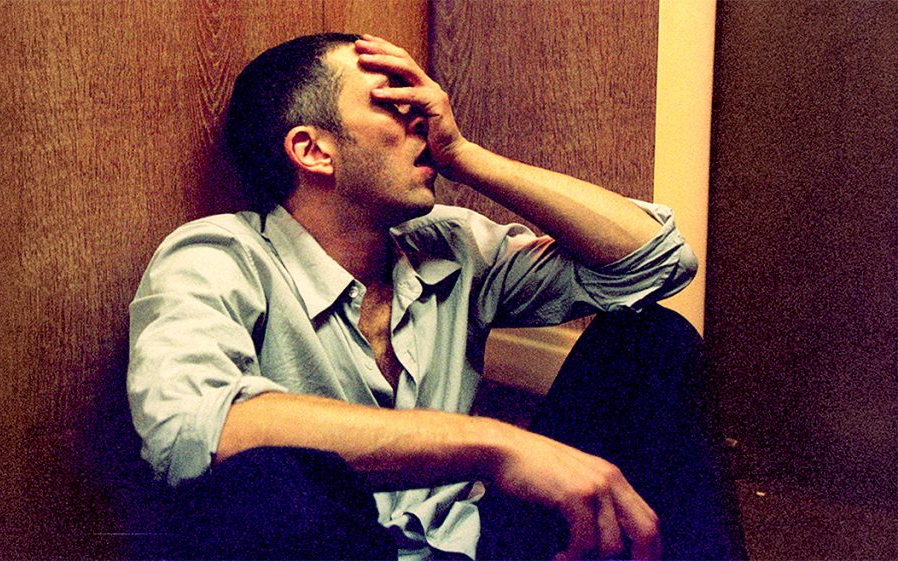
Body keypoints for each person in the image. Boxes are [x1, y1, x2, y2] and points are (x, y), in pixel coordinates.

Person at [128, 33, 744, 560]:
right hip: (340, 544)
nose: (423, 119)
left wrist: (467, 157)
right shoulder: (217, 255)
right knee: (269, 482)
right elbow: (194, 429)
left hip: (475, 541)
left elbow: (657, 262)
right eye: (394, 106)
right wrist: (497, 446)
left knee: (651, 341)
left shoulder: (450, 244)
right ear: (312, 150)